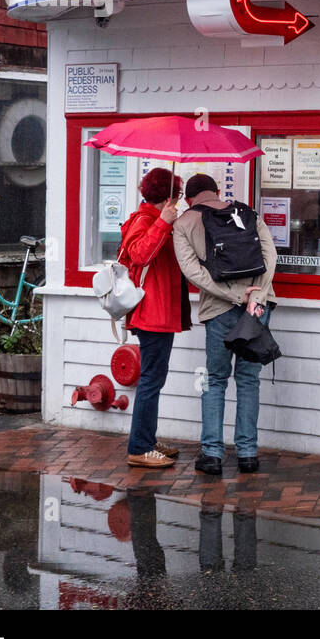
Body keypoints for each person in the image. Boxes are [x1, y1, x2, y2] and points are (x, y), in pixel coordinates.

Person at [172, 174, 277, 477]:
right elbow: (270, 257)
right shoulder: (247, 213)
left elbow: (193, 273)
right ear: (217, 192)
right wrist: (256, 294)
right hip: (257, 307)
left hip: (218, 310)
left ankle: (212, 455)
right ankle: (247, 454)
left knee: (215, 380)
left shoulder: (183, 223)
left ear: (188, 199)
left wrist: (231, 295)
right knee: (248, 379)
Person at [117, 167, 189, 469]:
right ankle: (140, 448)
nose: (182, 200)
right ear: (168, 196)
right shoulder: (146, 220)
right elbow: (139, 254)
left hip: (159, 312)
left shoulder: (151, 219)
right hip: (152, 313)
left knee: (154, 380)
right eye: (179, 194)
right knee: (150, 381)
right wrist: (163, 221)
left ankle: (147, 438)